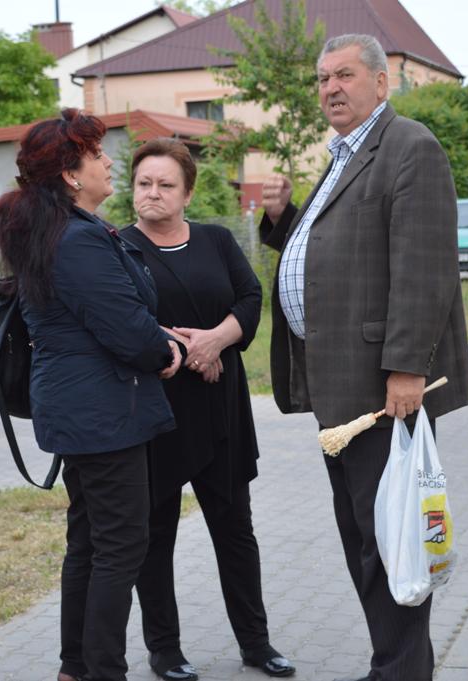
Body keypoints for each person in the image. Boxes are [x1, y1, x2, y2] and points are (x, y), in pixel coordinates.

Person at [259, 35, 468, 681]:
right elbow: (336, 245)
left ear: (381, 83)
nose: (330, 88)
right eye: (323, 78)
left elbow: (424, 267)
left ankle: (401, 671)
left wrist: (407, 368)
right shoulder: (344, 154)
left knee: (392, 539)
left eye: (345, 75)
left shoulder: (409, 146)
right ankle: (394, 666)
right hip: (341, 389)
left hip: (382, 390)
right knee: (365, 536)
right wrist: (283, 219)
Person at [0, 109, 184, 681]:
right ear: (71, 174)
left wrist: (155, 338)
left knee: (91, 543)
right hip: (102, 416)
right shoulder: (76, 240)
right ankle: (102, 670)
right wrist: (166, 351)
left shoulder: (64, 232)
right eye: (97, 154)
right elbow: (125, 329)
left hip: (87, 411)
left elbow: (104, 318)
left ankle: (75, 668)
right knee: (120, 547)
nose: (108, 162)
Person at [120, 138, 296, 680]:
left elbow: (250, 298)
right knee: (155, 536)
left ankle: (256, 644)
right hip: (156, 411)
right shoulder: (117, 248)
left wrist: (218, 339)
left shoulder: (217, 240)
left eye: (165, 184)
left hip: (221, 407)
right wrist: (192, 349)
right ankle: (165, 650)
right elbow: (121, 319)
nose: (152, 192)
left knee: (235, 529)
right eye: (144, 183)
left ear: (188, 193)